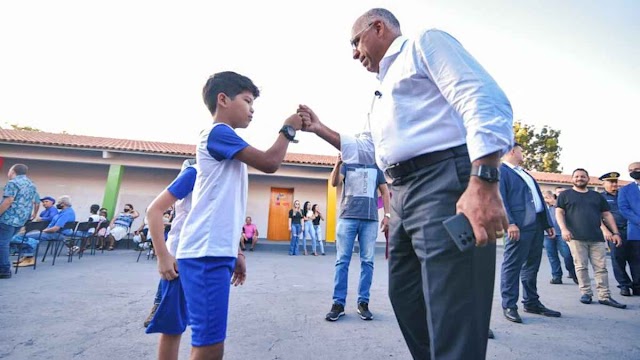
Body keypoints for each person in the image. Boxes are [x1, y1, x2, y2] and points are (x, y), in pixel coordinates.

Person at [298, 8, 512, 358]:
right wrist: (320, 128)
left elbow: (482, 98)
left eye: (355, 42)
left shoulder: (423, 45)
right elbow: (370, 149)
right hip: (401, 195)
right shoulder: (381, 92)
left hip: (443, 182)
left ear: (378, 27)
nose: (354, 53)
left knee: (453, 308)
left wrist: (484, 178)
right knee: (406, 296)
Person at [175, 71, 303, 360]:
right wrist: (288, 129)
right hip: (205, 253)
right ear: (223, 99)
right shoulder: (219, 133)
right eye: (247, 101)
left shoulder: (225, 141)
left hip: (214, 251)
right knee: (208, 346)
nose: (252, 109)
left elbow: (224, 205)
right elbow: (270, 163)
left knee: (210, 342)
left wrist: (236, 252)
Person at [499, 143, 561, 323]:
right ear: (512, 151)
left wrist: (546, 223)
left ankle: (531, 302)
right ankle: (509, 305)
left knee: (531, 265)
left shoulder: (524, 173)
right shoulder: (502, 171)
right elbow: (501, 198)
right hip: (518, 227)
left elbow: (537, 199)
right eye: (521, 151)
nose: (522, 154)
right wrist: (510, 223)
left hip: (536, 227)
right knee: (512, 266)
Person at [325, 154, 390, 321]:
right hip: (347, 217)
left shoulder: (376, 165)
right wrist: (338, 163)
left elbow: (385, 191)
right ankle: (338, 304)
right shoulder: (347, 163)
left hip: (370, 220)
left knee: (367, 261)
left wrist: (387, 215)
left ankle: (363, 303)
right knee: (342, 261)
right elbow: (334, 183)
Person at [143, 158, 197, 360]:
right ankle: (159, 303)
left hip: (204, 256)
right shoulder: (194, 173)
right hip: (181, 255)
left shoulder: (223, 178)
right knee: (173, 326)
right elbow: (153, 210)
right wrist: (163, 255)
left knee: (203, 324)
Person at [555, 168, 626, 308]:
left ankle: (604, 296)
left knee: (601, 268)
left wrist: (615, 233)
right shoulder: (565, 195)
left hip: (597, 238)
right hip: (576, 237)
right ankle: (586, 293)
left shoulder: (596, 196)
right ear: (572, 179)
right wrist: (563, 229)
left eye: (583, 176)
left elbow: (607, 215)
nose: (579, 178)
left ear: (587, 179)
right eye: (576, 176)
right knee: (581, 266)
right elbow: (559, 213)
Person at [12, 195, 76, 267]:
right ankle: (27, 256)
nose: (57, 204)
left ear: (63, 203)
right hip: (54, 232)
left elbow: (56, 228)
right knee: (28, 236)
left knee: (24, 236)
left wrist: (44, 231)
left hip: (56, 233)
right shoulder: (65, 212)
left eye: (59, 202)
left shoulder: (65, 214)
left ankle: (29, 258)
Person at [0, 164, 38, 278]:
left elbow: (8, 201)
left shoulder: (12, 183)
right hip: (21, 219)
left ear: (12, 171)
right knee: (5, 242)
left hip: (9, 218)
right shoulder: (31, 184)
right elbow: (34, 201)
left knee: (2, 243)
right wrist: (31, 216)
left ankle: (4, 269)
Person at [598, 172, 632, 296]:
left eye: (615, 181)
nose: (614, 184)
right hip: (614, 232)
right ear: (603, 183)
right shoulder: (600, 197)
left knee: (636, 259)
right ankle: (624, 285)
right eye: (611, 181)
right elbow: (597, 215)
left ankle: (637, 285)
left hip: (632, 230)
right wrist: (605, 231)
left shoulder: (625, 195)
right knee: (618, 260)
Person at [542, 190, 577, 284]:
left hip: (560, 233)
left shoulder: (559, 205)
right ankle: (556, 276)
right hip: (547, 235)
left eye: (547, 197)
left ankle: (574, 273)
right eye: (544, 198)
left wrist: (554, 203)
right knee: (552, 256)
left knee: (567, 255)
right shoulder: (543, 208)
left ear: (552, 197)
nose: (545, 200)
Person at [616, 162, 640, 296]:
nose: (634, 172)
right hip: (636, 231)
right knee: (637, 261)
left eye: (637, 169)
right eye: (631, 170)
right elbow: (624, 209)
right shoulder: (625, 190)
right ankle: (637, 286)